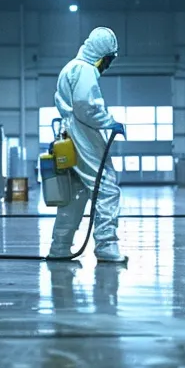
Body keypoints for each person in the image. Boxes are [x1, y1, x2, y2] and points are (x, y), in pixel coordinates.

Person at [49, 27, 128, 263]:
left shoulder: (70, 68)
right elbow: (86, 106)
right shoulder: (84, 70)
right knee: (107, 187)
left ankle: (60, 247)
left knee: (75, 193)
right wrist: (110, 122)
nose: (107, 66)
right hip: (83, 133)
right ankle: (106, 245)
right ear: (101, 55)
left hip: (68, 133)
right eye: (108, 60)